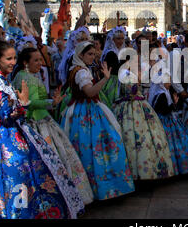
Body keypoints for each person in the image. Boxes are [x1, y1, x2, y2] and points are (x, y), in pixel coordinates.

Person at [0, 41, 84, 219]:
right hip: (0, 136)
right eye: (8, 59)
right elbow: (5, 114)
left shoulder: (2, 78)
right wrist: (23, 104)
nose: (13, 62)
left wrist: (20, 104)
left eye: (14, 58)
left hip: (13, 130)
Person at [13, 48, 94, 205]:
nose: (40, 63)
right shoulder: (26, 78)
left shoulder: (23, 76)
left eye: (40, 59)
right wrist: (51, 103)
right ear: (25, 63)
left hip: (35, 121)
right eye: (36, 60)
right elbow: (29, 103)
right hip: (37, 123)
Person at [61, 41, 135, 199]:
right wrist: (105, 79)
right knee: (97, 146)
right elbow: (89, 92)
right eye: (89, 54)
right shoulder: (81, 72)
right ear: (80, 55)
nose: (92, 57)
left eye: (94, 54)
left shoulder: (76, 69)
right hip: (87, 112)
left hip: (79, 110)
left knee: (86, 147)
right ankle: (102, 187)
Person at [113, 62, 175, 180]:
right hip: (132, 108)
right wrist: (138, 80)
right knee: (136, 137)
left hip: (136, 107)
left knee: (145, 137)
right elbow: (132, 91)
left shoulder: (130, 74)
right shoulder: (126, 74)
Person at [148, 71, 188, 175]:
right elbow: (164, 110)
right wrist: (174, 104)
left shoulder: (164, 92)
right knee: (173, 142)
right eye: (167, 81)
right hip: (165, 122)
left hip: (167, 120)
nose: (170, 83)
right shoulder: (161, 94)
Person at [99, 26, 126, 108]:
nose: (121, 41)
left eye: (122, 38)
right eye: (118, 39)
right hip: (112, 82)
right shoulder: (111, 53)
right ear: (112, 40)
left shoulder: (118, 51)